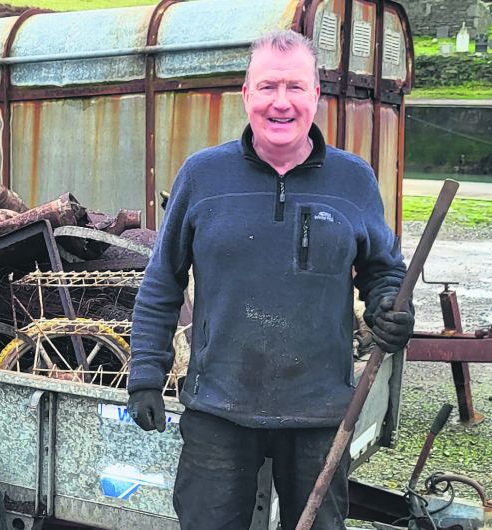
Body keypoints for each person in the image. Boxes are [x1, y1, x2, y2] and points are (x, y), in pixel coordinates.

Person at [127, 30, 415, 529]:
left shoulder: (353, 181)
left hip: (319, 413)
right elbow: (161, 284)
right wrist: (146, 377)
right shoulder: (203, 176)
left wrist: (390, 306)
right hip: (219, 408)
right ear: (246, 95)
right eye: (267, 87)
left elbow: (382, 269)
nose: (281, 103)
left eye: (296, 88)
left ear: (316, 98)